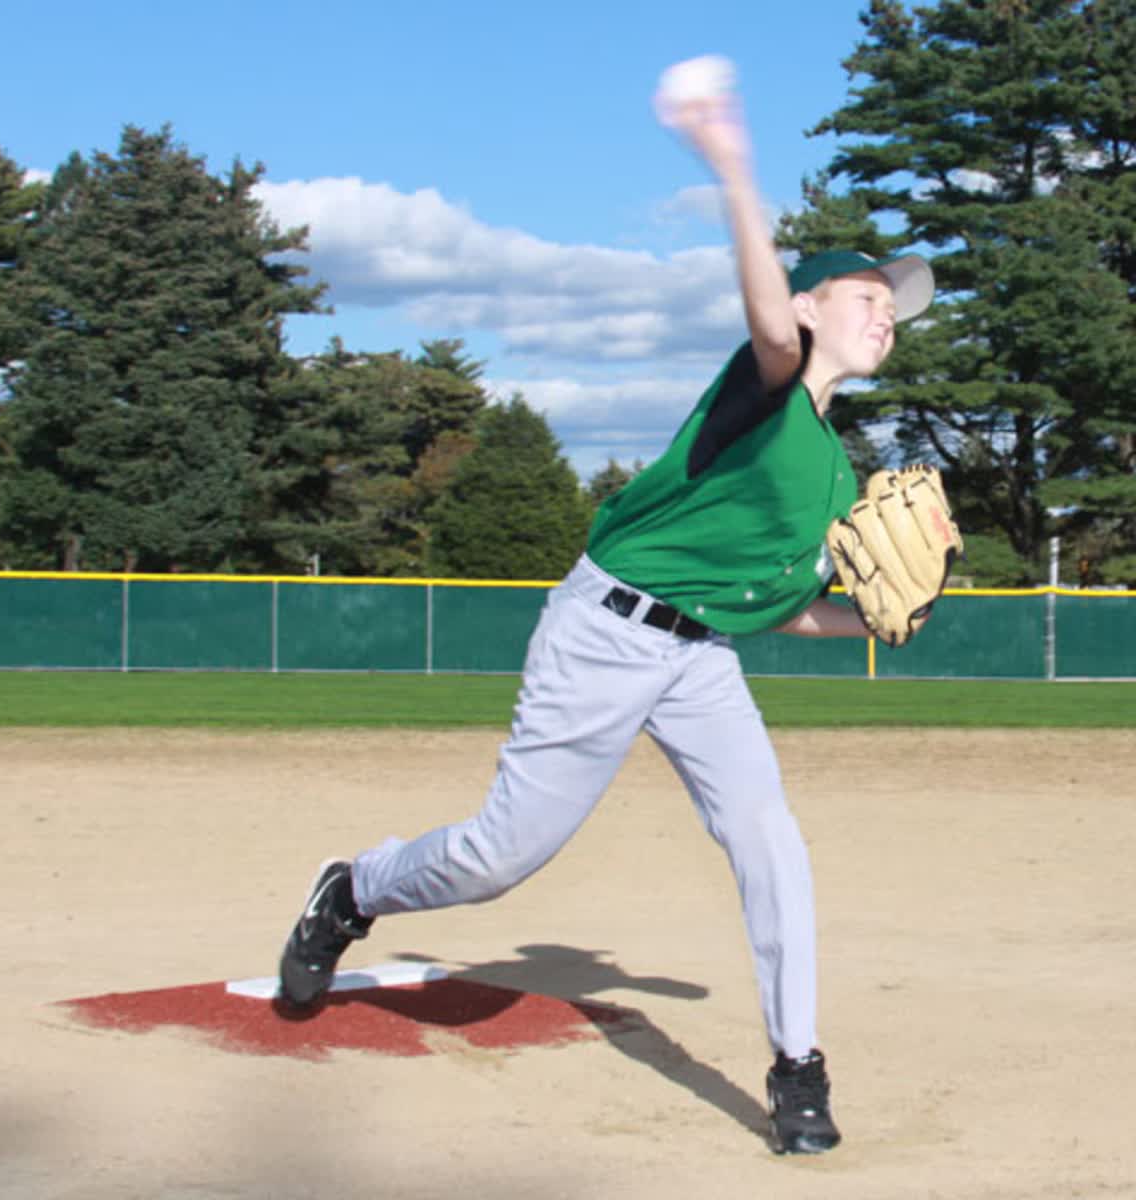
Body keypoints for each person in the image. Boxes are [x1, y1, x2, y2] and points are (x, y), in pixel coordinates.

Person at [277, 68, 934, 1156]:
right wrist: (731, 167)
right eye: (866, 295)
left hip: (700, 655)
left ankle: (797, 1065)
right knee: (499, 858)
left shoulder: (832, 475)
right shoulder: (765, 390)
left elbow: (774, 610)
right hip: (606, 631)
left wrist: (876, 623)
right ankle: (354, 889)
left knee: (770, 840)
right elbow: (771, 323)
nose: (885, 316)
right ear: (813, 306)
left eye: (893, 308)